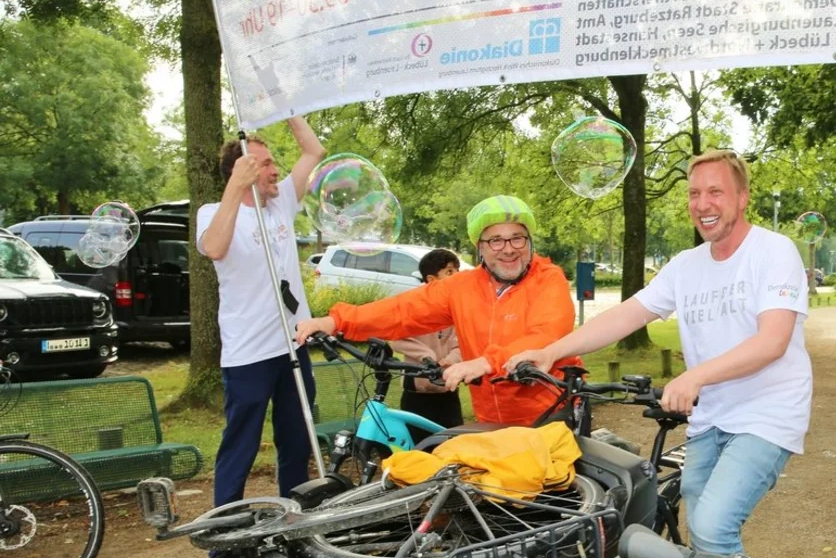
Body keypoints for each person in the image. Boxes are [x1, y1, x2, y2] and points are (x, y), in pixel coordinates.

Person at [507, 149, 812, 558]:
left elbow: (772, 342)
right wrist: (551, 352)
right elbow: (627, 315)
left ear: (742, 197)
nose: (704, 204)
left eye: (716, 192)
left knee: (715, 524)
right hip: (713, 416)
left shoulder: (774, 252)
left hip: (769, 413)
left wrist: (695, 375)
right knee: (707, 531)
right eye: (695, 194)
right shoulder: (687, 265)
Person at [295, 196, 581, 427]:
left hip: (551, 414)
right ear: (479, 247)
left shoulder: (548, 279)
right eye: (495, 240)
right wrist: (336, 320)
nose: (508, 249)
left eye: (517, 238)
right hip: (492, 418)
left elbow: (546, 333)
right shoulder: (463, 286)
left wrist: (484, 362)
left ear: (529, 242)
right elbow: (403, 310)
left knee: (555, 496)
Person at [197, 117, 326, 506]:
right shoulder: (214, 212)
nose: (275, 170)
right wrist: (236, 186)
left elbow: (313, 152)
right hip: (249, 353)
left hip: (292, 345)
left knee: (297, 441)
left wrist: (287, 108)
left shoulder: (282, 202)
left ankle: (296, 519)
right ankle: (226, 533)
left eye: (273, 162)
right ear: (242, 171)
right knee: (241, 445)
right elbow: (214, 248)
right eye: (265, 164)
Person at [390, 248, 464, 443]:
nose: (456, 276)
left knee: (453, 448)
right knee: (419, 449)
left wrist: (450, 361)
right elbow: (396, 337)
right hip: (417, 394)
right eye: (449, 272)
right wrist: (427, 356)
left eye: (457, 270)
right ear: (431, 280)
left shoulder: (458, 308)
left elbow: (463, 342)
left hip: (447, 393)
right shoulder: (414, 307)